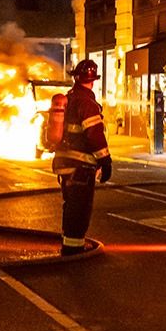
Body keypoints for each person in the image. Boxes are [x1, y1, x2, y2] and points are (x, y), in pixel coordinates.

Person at [52, 59, 113, 256]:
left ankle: (69, 242)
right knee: (80, 209)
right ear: (93, 81)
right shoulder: (87, 103)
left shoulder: (69, 98)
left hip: (64, 164)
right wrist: (105, 160)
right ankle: (74, 248)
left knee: (70, 206)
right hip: (81, 167)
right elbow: (94, 134)